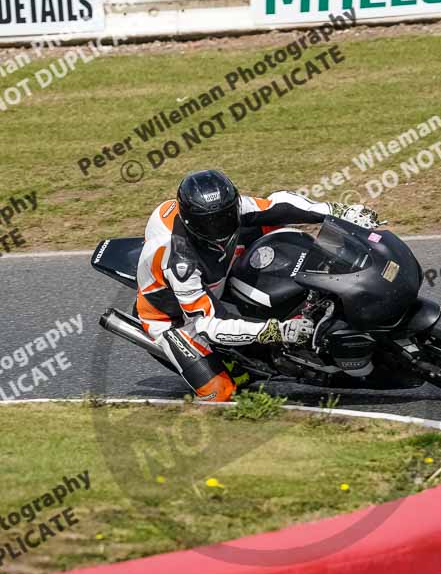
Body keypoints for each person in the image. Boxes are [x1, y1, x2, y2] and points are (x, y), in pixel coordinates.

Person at [136, 170, 379, 402]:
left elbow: (279, 205)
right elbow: (207, 324)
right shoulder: (180, 262)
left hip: (218, 271)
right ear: (191, 222)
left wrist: (339, 211)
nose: (219, 228)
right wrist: (276, 330)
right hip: (177, 318)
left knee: (277, 223)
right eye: (208, 223)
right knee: (219, 393)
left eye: (225, 217)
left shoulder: (233, 207)